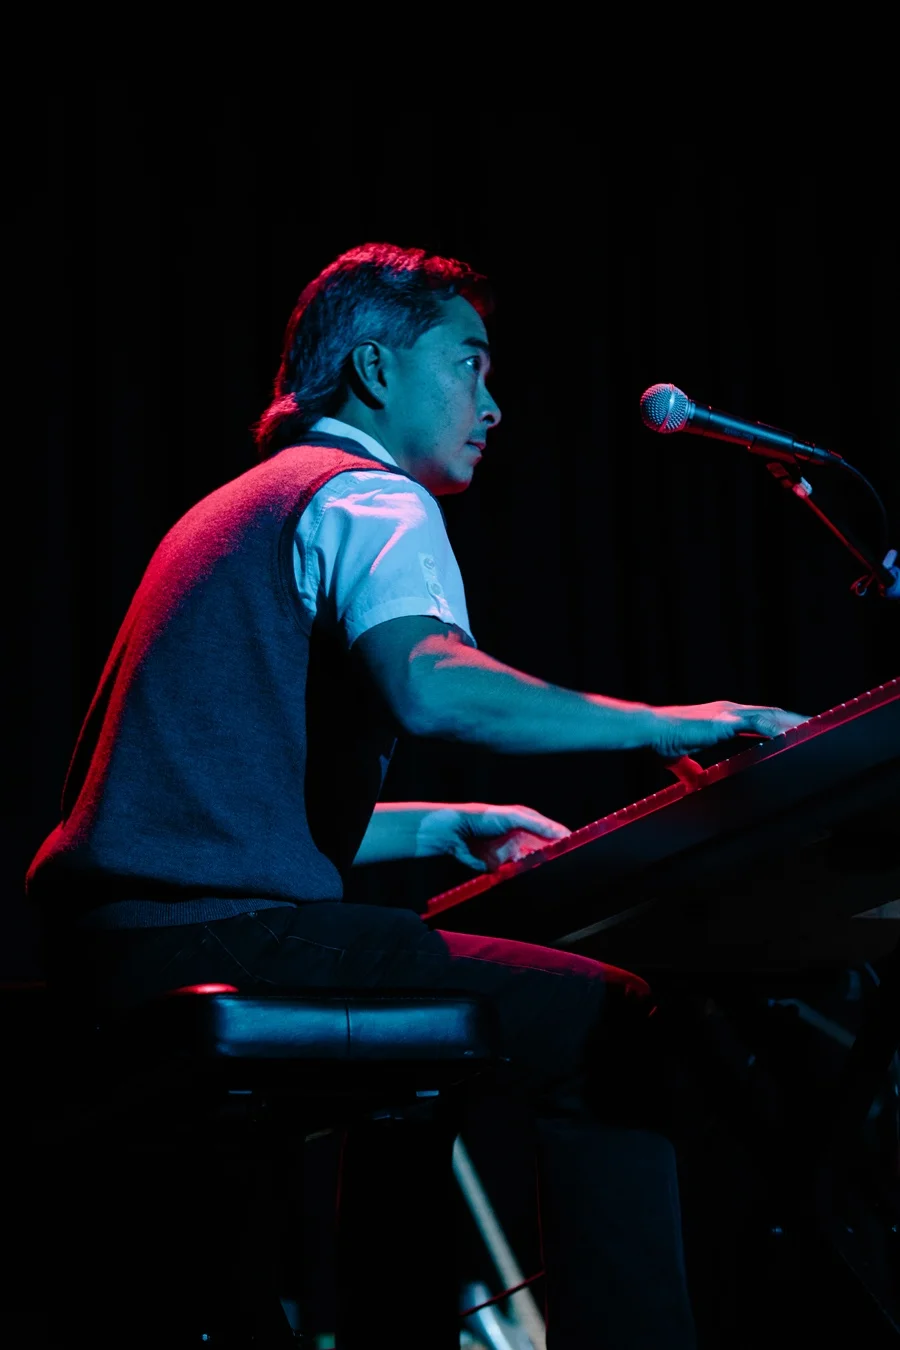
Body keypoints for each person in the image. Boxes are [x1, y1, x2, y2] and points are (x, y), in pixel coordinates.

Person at [29, 243, 805, 1348]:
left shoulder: (232, 511)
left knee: (411, 1039)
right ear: (378, 369)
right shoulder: (365, 493)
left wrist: (443, 824)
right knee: (619, 1024)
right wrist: (674, 722)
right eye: (470, 364)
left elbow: (202, 808)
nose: (494, 404)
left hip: (116, 950)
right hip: (221, 935)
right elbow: (431, 686)